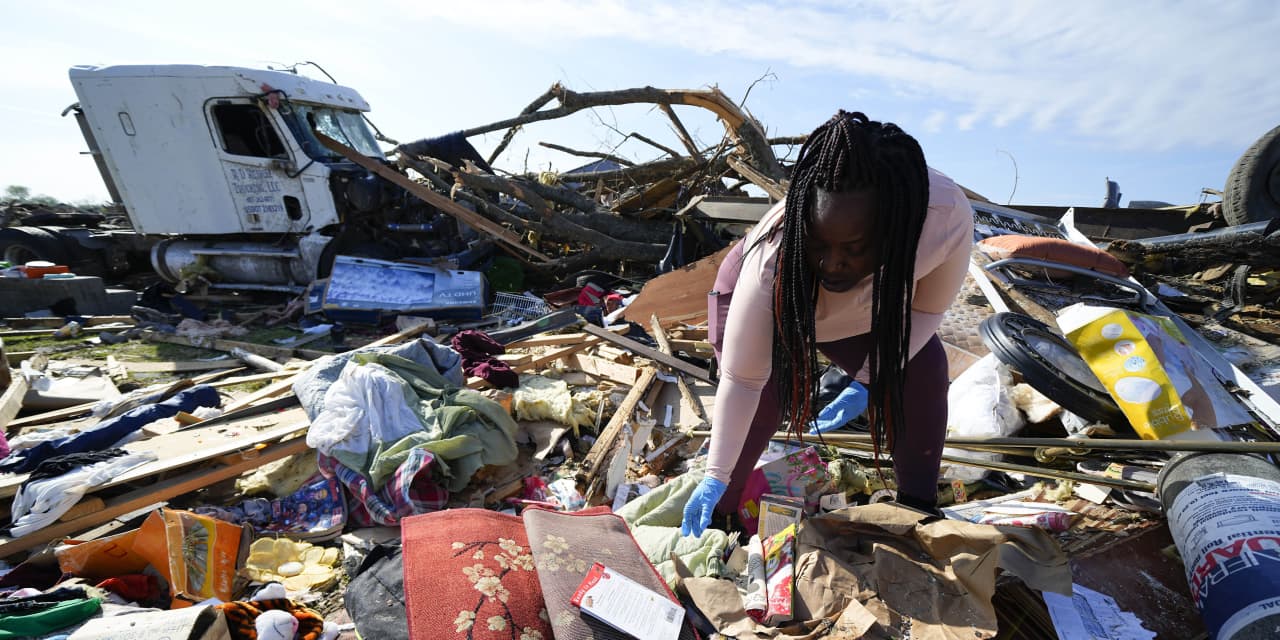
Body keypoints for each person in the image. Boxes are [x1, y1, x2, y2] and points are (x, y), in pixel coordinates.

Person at [681, 111, 974, 537]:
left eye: (855, 247)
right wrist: (715, 474)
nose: (833, 264)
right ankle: (722, 516)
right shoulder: (774, 258)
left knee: (922, 371)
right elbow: (742, 381)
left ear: (895, 230)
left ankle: (917, 509)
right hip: (780, 299)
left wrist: (875, 374)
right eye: (819, 242)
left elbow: (926, 312)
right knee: (765, 399)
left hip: (866, 309)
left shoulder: (944, 219)